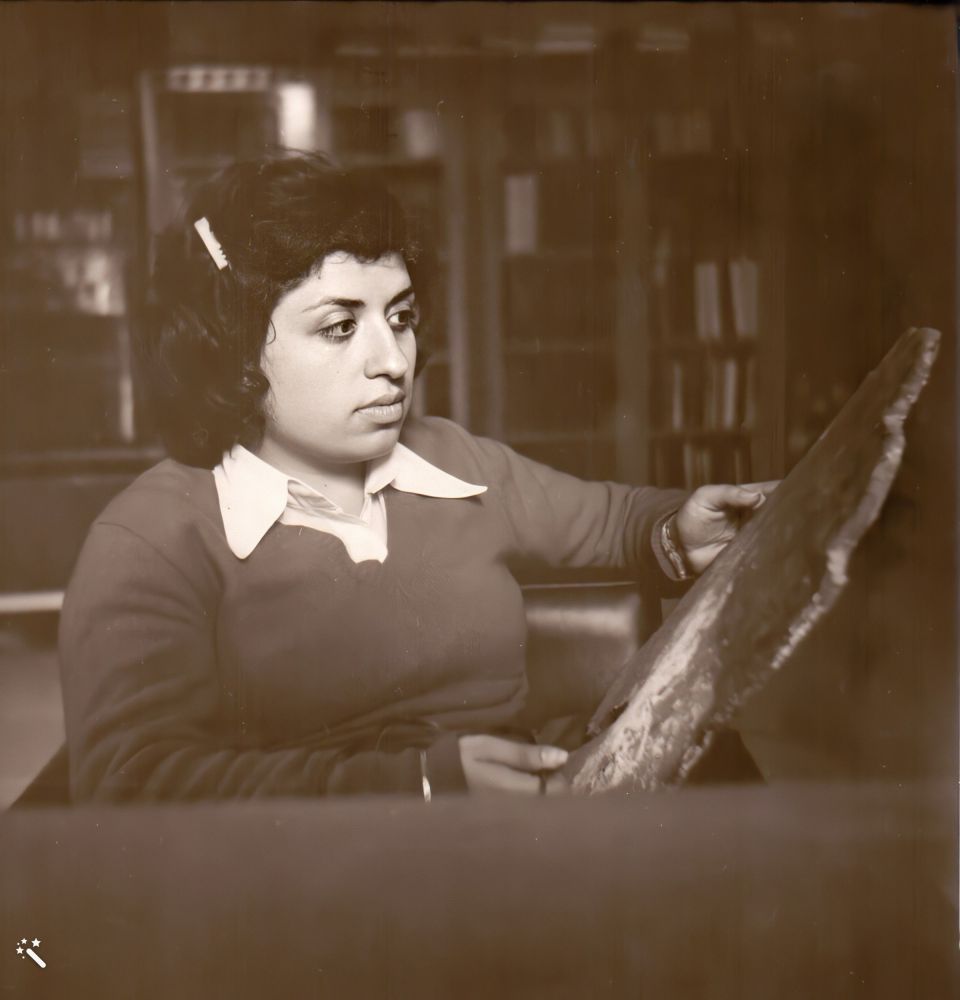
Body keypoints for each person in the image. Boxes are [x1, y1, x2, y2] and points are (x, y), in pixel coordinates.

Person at [59, 152, 769, 802]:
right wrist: (423, 786)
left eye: (400, 317)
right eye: (340, 327)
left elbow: (617, 521)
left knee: (722, 768)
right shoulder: (152, 537)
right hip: (323, 874)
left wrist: (676, 530)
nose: (394, 361)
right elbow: (136, 786)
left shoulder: (453, 459)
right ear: (234, 351)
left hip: (517, 822)